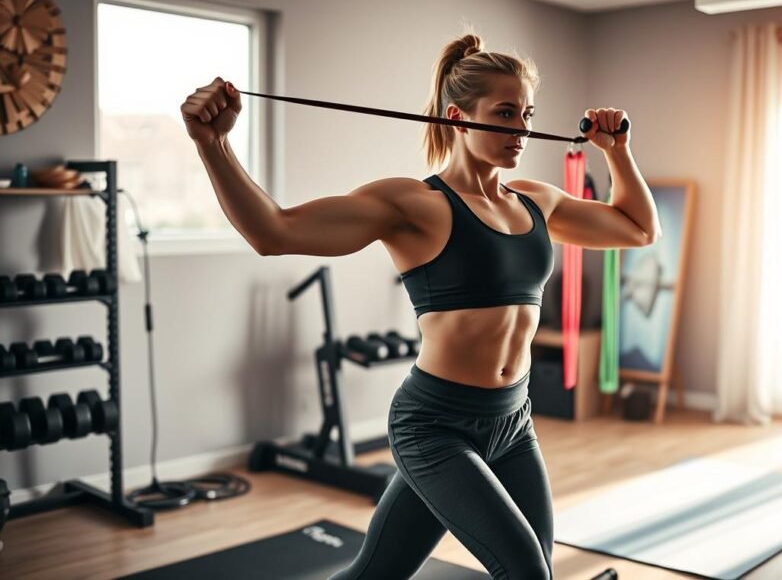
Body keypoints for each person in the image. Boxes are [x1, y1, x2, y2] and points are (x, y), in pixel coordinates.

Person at [181, 32, 660, 580]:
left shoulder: (536, 201)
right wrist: (212, 146)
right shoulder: (412, 204)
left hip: (513, 422)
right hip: (434, 425)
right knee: (528, 573)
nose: (522, 129)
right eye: (505, 113)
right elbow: (273, 232)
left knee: (378, 575)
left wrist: (618, 152)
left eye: (526, 113)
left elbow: (640, 228)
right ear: (458, 118)